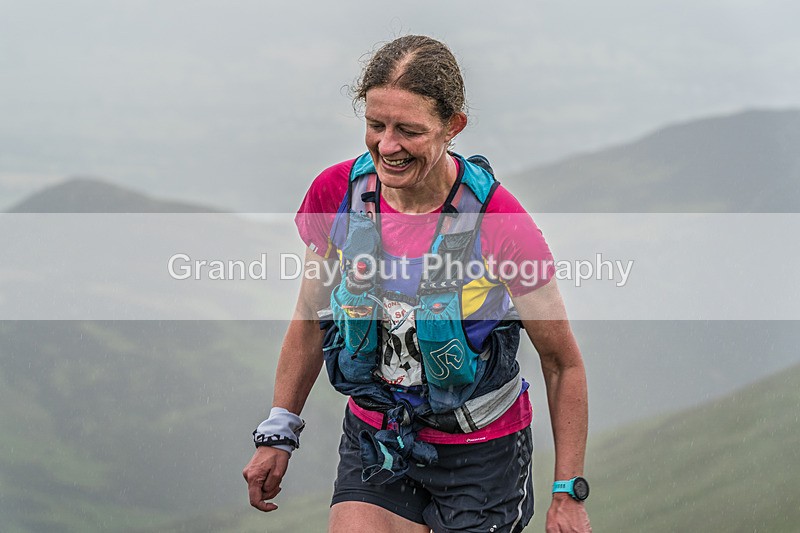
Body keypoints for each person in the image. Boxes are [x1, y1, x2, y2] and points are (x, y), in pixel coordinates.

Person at [243, 35, 591, 533]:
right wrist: (279, 429)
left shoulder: (500, 221)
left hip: (483, 458)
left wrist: (568, 492)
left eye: (408, 130)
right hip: (377, 442)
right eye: (375, 125)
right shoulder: (336, 194)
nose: (387, 146)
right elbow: (310, 320)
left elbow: (563, 364)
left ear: (453, 126)